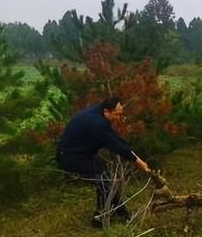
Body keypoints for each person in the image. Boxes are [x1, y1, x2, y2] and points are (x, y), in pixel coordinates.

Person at [56, 96, 151, 227]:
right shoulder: (97, 124)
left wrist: (137, 158)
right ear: (107, 111)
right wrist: (138, 162)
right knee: (104, 178)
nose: (118, 118)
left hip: (81, 154)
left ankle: (122, 213)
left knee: (106, 176)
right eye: (116, 115)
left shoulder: (98, 113)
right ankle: (100, 218)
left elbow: (117, 139)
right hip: (70, 157)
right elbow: (116, 145)